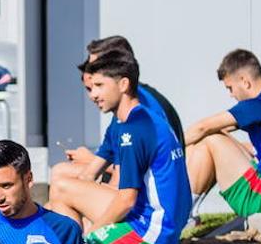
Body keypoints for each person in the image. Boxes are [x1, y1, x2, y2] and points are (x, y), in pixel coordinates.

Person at [48, 53, 191, 244]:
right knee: (61, 188)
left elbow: (126, 200)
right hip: (155, 216)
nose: (93, 95)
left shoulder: (133, 131)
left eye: (99, 86)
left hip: (151, 227)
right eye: (91, 88)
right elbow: (89, 175)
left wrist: (90, 235)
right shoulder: (131, 120)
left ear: (123, 84)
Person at [185, 49, 261, 216]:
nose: (231, 94)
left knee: (210, 138)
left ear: (245, 82)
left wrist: (169, 149)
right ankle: (188, 210)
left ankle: (180, 214)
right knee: (213, 137)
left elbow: (202, 127)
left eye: (230, 88)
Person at [55, 36, 183, 184]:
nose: (89, 73)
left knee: (62, 181)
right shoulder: (121, 113)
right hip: (138, 184)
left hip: (150, 190)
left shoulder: (138, 115)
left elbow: (124, 185)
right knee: (63, 178)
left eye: (95, 67)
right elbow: (97, 170)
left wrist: (89, 160)